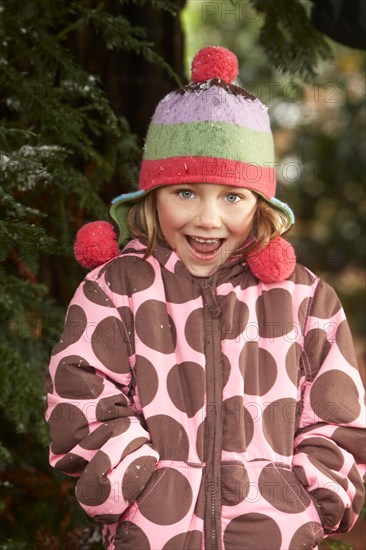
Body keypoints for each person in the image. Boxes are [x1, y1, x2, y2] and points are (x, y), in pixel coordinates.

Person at [45, 46, 365, 550]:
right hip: (153, 536)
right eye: (185, 192)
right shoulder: (115, 290)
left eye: (232, 196)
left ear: (260, 205)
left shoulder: (304, 300)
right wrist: (144, 492)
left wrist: (306, 503)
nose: (208, 219)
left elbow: (339, 416)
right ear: (153, 196)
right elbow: (81, 402)